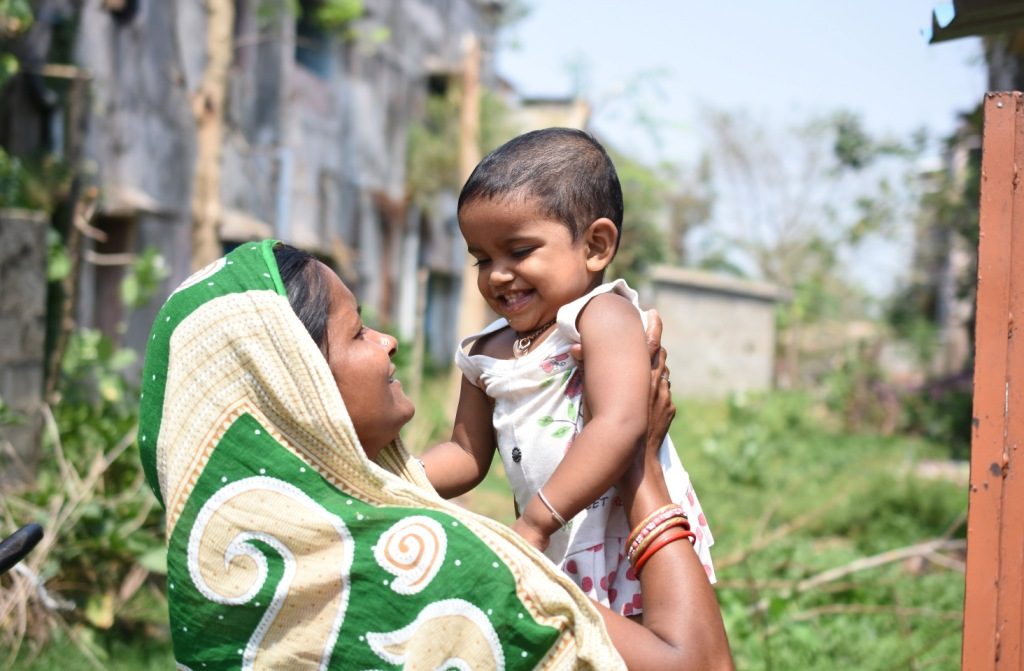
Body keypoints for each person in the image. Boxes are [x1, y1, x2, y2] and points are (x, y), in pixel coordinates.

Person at [138, 240, 733, 669]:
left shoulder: (237, 591)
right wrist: (640, 467)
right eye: (357, 333)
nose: (388, 340)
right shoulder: (438, 569)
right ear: (299, 389)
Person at [420, 127, 715, 616]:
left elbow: (620, 423)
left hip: (628, 546)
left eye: (518, 251)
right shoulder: (486, 351)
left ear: (596, 246)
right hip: (556, 548)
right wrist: (390, 479)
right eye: (481, 258)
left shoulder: (603, 317)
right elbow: (465, 454)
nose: (496, 274)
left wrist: (535, 522)